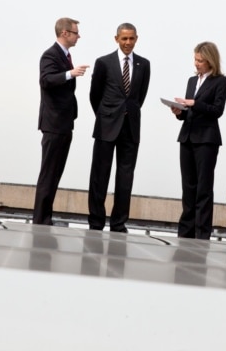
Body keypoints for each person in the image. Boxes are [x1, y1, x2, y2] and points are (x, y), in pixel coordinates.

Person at [87, 23, 151, 232]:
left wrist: (126, 114)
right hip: (106, 126)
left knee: (125, 178)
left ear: (136, 39)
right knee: (100, 176)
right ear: (116, 39)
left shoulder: (144, 64)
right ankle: (96, 221)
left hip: (130, 128)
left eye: (131, 39)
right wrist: (107, 115)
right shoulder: (103, 63)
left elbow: (139, 97)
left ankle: (118, 223)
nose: (128, 43)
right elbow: (94, 95)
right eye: (124, 39)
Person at [33, 17, 89, 225]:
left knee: (55, 172)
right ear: (64, 33)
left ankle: (45, 217)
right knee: (49, 173)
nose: (78, 36)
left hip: (64, 123)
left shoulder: (65, 56)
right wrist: (69, 74)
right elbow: (46, 80)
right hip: (54, 124)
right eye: (75, 32)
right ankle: (40, 219)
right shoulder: (50, 55)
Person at [170, 42, 226, 239]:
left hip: (206, 139)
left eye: (200, 61)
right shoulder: (191, 81)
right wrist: (179, 112)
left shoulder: (220, 81)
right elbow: (188, 114)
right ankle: (185, 231)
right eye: (195, 59)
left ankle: (202, 234)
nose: (196, 64)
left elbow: (217, 111)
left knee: (203, 188)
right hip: (187, 137)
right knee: (188, 187)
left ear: (210, 61)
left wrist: (195, 103)